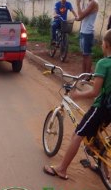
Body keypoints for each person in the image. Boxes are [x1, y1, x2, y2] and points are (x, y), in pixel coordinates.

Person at [43, 28, 111, 180]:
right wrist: (95, 81)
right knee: (97, 137)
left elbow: (94, 93)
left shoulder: (103, 63)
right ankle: (104, 171)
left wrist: (78, 95)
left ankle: (61, 169)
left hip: (101, 108)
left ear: (105, 45)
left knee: (77, 135)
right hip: (109, 110)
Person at [75, 0, 99, 73]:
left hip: (88, 33)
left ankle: (87, 76)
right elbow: (82, 17)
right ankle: (83, 74)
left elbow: (81, 16)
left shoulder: (94, 3)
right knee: (84, 55)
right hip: (83, 32)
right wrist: (78, 18)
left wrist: (78, 4)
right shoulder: (89, 3)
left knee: (87, 55)